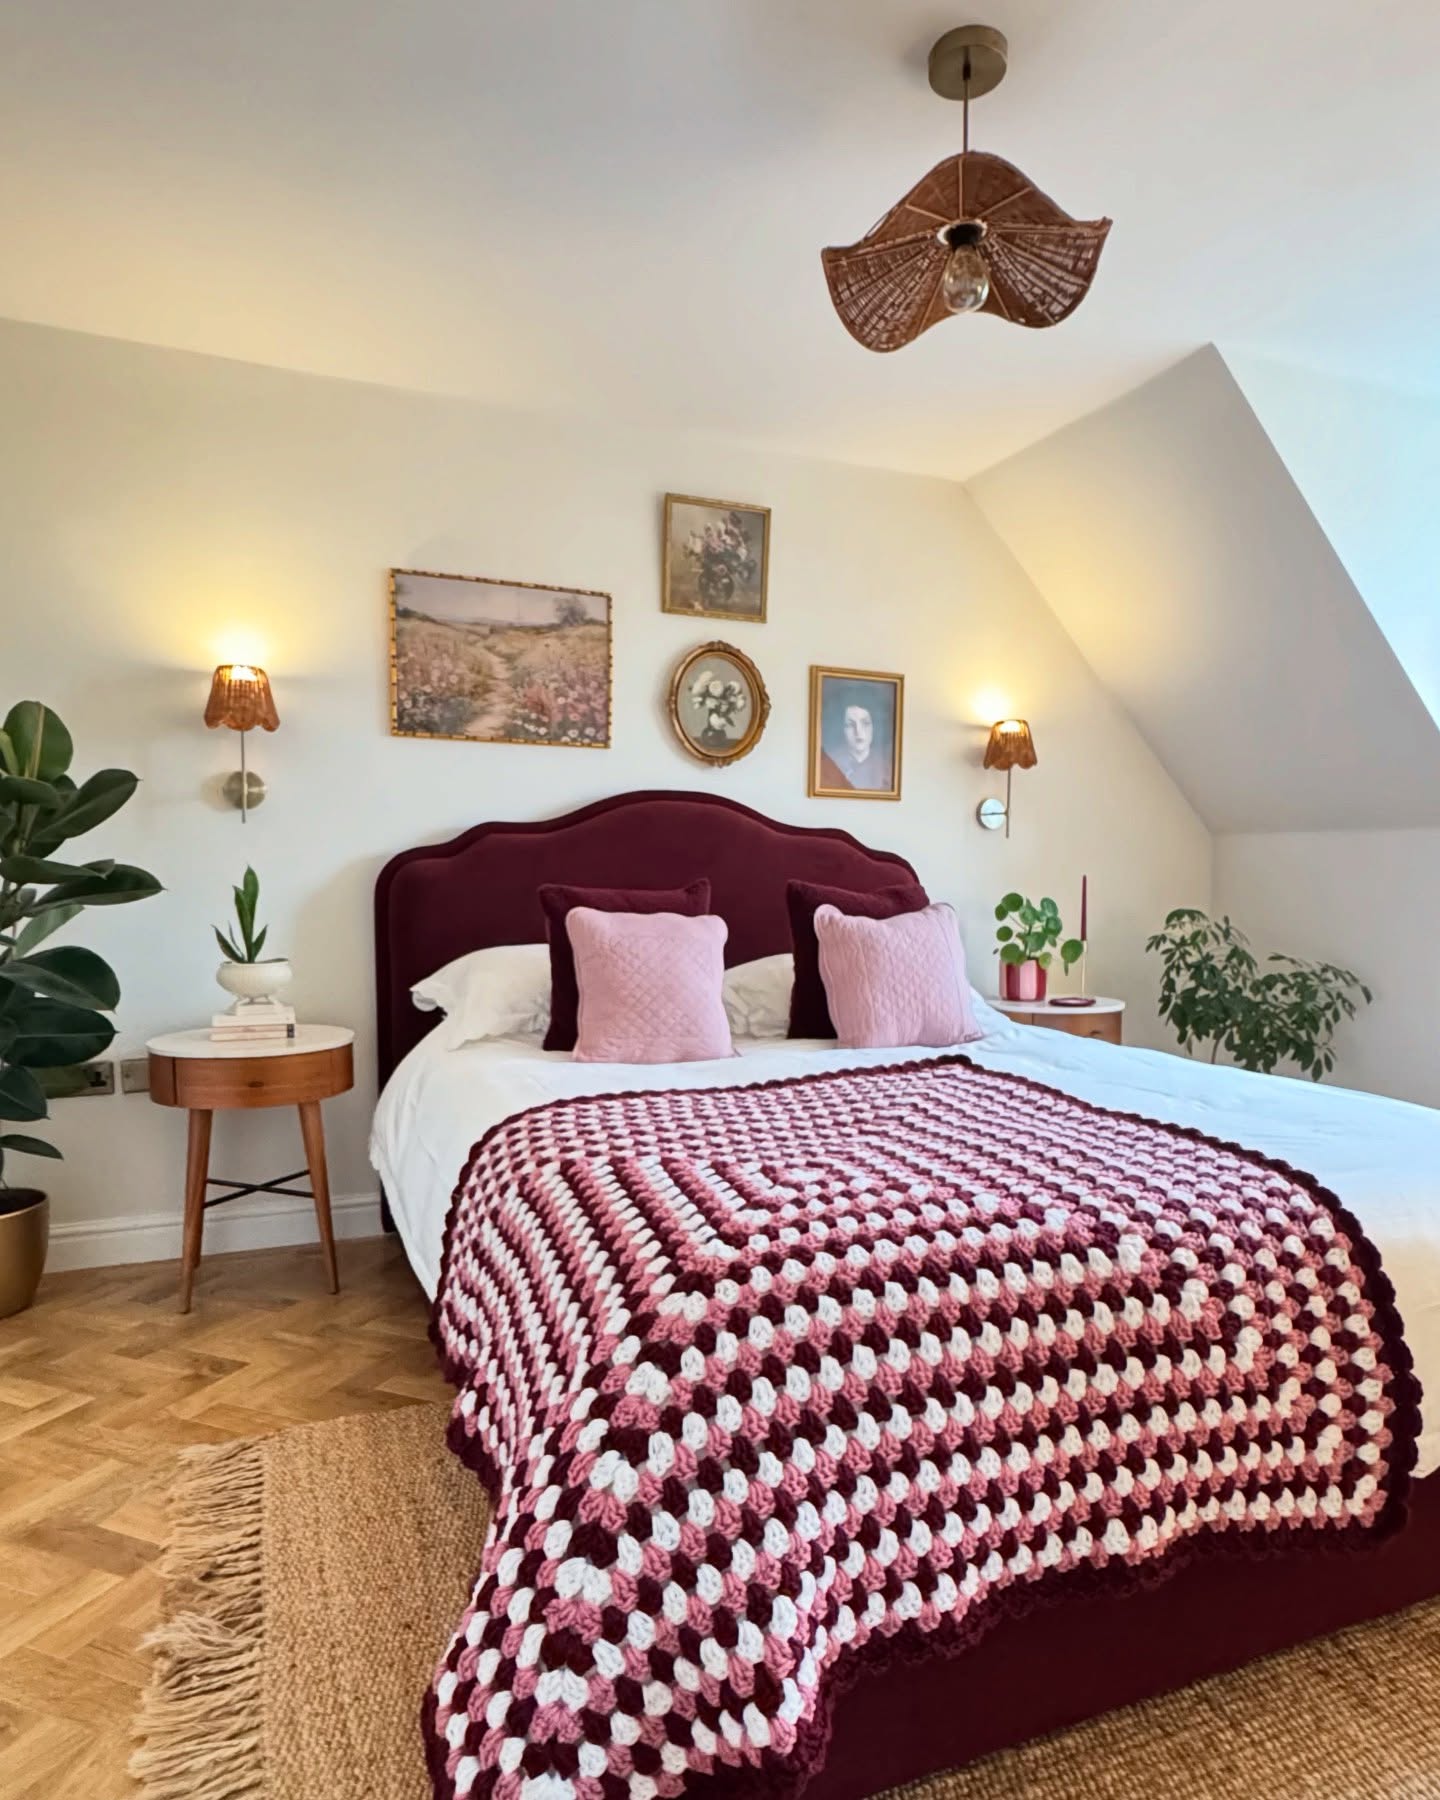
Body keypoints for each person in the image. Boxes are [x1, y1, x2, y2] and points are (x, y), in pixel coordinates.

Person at [818, 687, 892, 791]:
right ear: (842, 729)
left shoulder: (886, 768)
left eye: (865, 723)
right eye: (850, 725)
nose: (859, 732)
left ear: (873, 726)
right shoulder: (827, 766)